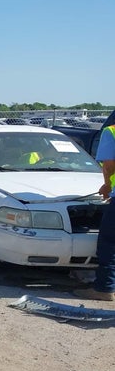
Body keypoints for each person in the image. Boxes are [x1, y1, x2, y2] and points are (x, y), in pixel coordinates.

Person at [74, 125, 115, 302]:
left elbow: (109, 165)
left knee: (109, 242)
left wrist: (107, 186)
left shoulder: (111, 131)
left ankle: (105, 288)